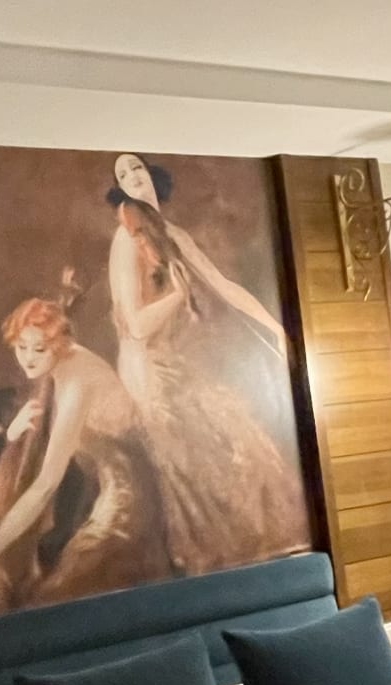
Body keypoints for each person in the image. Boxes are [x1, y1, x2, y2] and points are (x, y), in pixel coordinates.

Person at [104, 153, 308, 574]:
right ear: (121, 190)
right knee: (200, 471)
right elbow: (136, 326)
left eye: (137, 168)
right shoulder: (127, 238)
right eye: (123, 174)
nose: (133, 176)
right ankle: (212, 565)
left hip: (175, 365)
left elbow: (223, 285)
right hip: (147, 372)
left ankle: (259, 565)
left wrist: (276, 329)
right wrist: (177, 297)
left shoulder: (173, 234)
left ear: (152, 176)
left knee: (244, 444)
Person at [0, 286, 170, 621]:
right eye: (21, 347)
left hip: (130, 507)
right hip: (106, 495)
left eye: (39, 349)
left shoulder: (76, 383)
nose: (28, 358)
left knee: (57, 597)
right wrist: (13, 432)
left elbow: (47, 483)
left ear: (58, 345)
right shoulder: (62, 368)